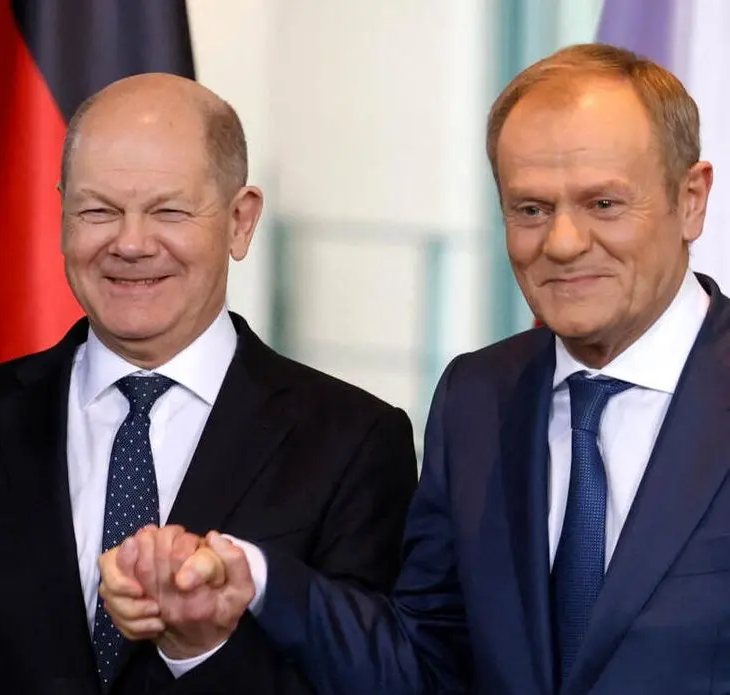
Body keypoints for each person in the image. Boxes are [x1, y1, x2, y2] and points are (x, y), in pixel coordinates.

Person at [99, 42, 730, 695]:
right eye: (531, 209)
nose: (563, 242)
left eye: (602, 204)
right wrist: (253, 581)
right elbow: (425, 662)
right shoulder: (478, 398)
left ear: (690, 199)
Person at [0, 72, 418, 695]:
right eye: (98, 211)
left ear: (240, 221)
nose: (131, 243)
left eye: (168, 211)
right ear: (61, 214)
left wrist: (202, 646)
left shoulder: (354, 442)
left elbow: (371, 681)